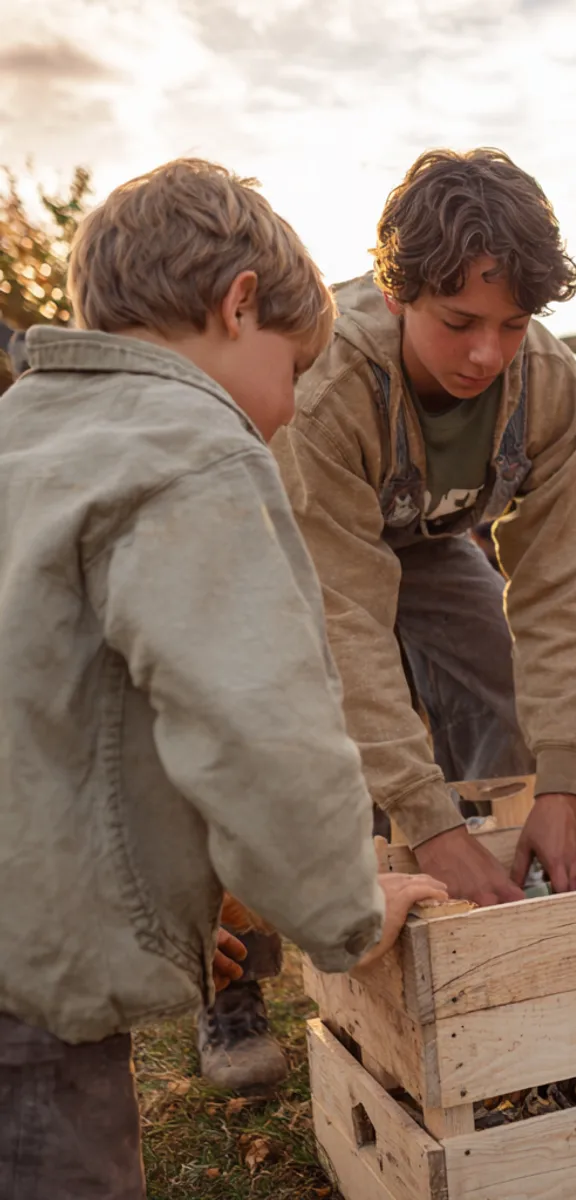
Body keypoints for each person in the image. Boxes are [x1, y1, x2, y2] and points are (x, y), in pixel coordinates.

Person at [0, 158, 448, 1198]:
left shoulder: (23, 438)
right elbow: (256, 719)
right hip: (29, 1000)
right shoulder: (193, 449)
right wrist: (344, 909)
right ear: (238, 305)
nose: (288, 410)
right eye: (292, 370)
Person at [271, 149, 576, 909]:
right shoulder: (327, 391)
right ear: (398, 297)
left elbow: (567, 588)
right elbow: (342, 618)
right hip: (281, 550)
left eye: (513, 325)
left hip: (422, 542)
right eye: (458, 323)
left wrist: (564, 784)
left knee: (503, 675)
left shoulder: (555, 395)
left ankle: (498, 875)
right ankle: (248, 977)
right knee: (303, 730)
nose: (487, 354)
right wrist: (426, 821)